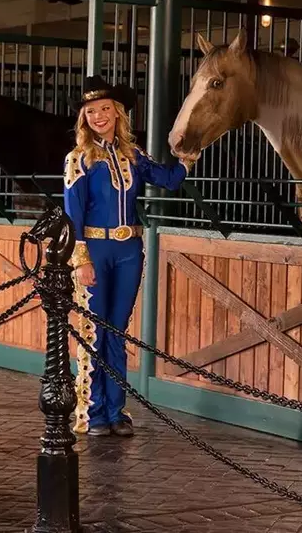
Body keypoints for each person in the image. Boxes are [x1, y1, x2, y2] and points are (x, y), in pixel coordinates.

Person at [64, 75, 196, 437]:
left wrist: (190, 156)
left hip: (129, 251)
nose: (99, 116)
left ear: (118, 113)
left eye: (105, 108)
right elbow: (72, 214)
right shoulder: (78, 159)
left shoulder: (133, 155)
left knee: (117, 333)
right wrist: (81, 259)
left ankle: (115, 411)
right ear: (84, 118)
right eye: (91, 111)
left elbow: (168, 180)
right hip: (95, 249)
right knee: (94, 332)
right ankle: (92, 412)